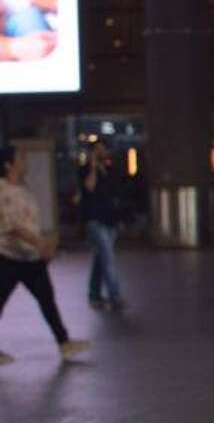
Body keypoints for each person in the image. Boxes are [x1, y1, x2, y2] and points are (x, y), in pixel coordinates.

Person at [0, 144, 89, 363]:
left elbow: (29, 223)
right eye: (21, 158)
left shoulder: (23, 188)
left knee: (47, 299)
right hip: (8, 256)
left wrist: (44, 244)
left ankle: (64, 342)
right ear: (8, 164)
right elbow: (13, 226)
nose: (26, 162)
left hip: (31, 257)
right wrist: (40, 242)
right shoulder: (4, 191)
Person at [80, 141, 126, 310]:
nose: (101, 153)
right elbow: (89, 187)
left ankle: (94, 294)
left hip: (110, 220)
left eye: (103, 150)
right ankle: (115, 295)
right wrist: (92, 166)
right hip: (95, 221)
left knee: (101, 259)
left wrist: (120, 219)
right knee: (108, 258)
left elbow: (116, 195)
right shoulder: (85, 170)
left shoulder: (110, 171)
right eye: (97, 150)